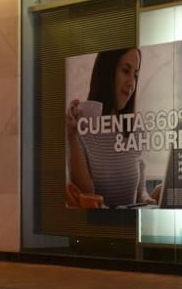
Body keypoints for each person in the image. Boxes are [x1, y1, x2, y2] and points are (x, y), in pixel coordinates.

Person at [65, 47, 158, 209]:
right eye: (125, 71)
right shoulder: (80, 124)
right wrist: (72, 137)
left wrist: (147, 197)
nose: (131, 83)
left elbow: (140, 192)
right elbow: (85, 196)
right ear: (106, 72)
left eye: (135, 75)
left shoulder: (136, 128)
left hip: (131, 227)